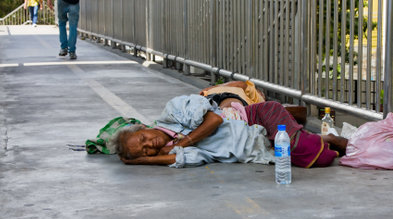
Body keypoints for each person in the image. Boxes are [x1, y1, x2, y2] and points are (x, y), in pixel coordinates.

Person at [112, 94, 348, 168]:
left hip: (257, 116)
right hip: (256, 143)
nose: (149, 144)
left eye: (143, 138)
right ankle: (324, 139)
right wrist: (140, 161)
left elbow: (213, 119)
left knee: (298, 147)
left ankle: (332, 139)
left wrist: (182, 143)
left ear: (144, 127)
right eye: (145, 150)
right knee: (314, 158)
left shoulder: (173, 111)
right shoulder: (173, 153)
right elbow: (194, 158)